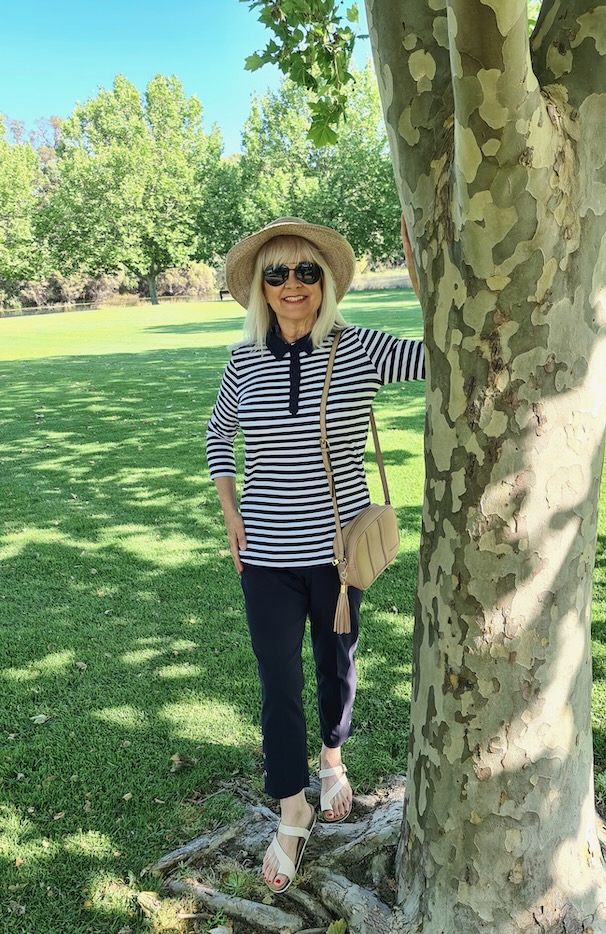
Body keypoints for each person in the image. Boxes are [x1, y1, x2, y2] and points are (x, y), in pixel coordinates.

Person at [205, 217, 424, 893]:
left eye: (306, 272)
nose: (292, 285)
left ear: (324, 281)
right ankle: (291, 809)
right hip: (266, 558)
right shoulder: (244, 360)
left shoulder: (358, 348)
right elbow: (218, 433)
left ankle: (332, 758)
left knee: (338, 661)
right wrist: (230, 507)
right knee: (277, 681)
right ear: (260, 289)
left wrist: (429, 286)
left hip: (337, 555)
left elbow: (445, 356)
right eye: (277, 273)